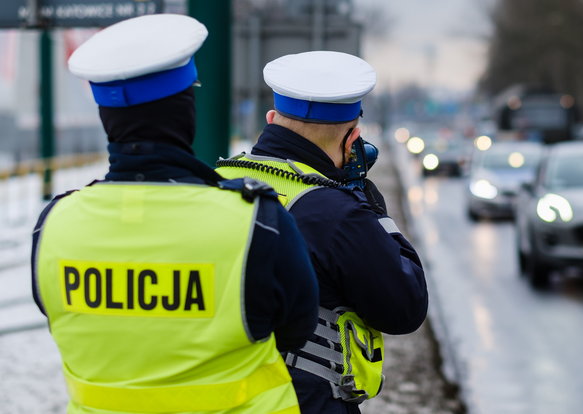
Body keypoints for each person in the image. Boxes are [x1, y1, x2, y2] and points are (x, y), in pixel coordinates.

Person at [30, 14, 319, 414]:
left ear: (106, 116)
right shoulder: (256, 223)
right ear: (187, 110)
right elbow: (296, 330)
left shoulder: (54, 225)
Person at [216, 51, 428, 414]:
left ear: (271, 119)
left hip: (217, 395)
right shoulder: (338, 213)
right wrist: (375, 212)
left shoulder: (210, 183)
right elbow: (405, 308)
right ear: (352, 139)